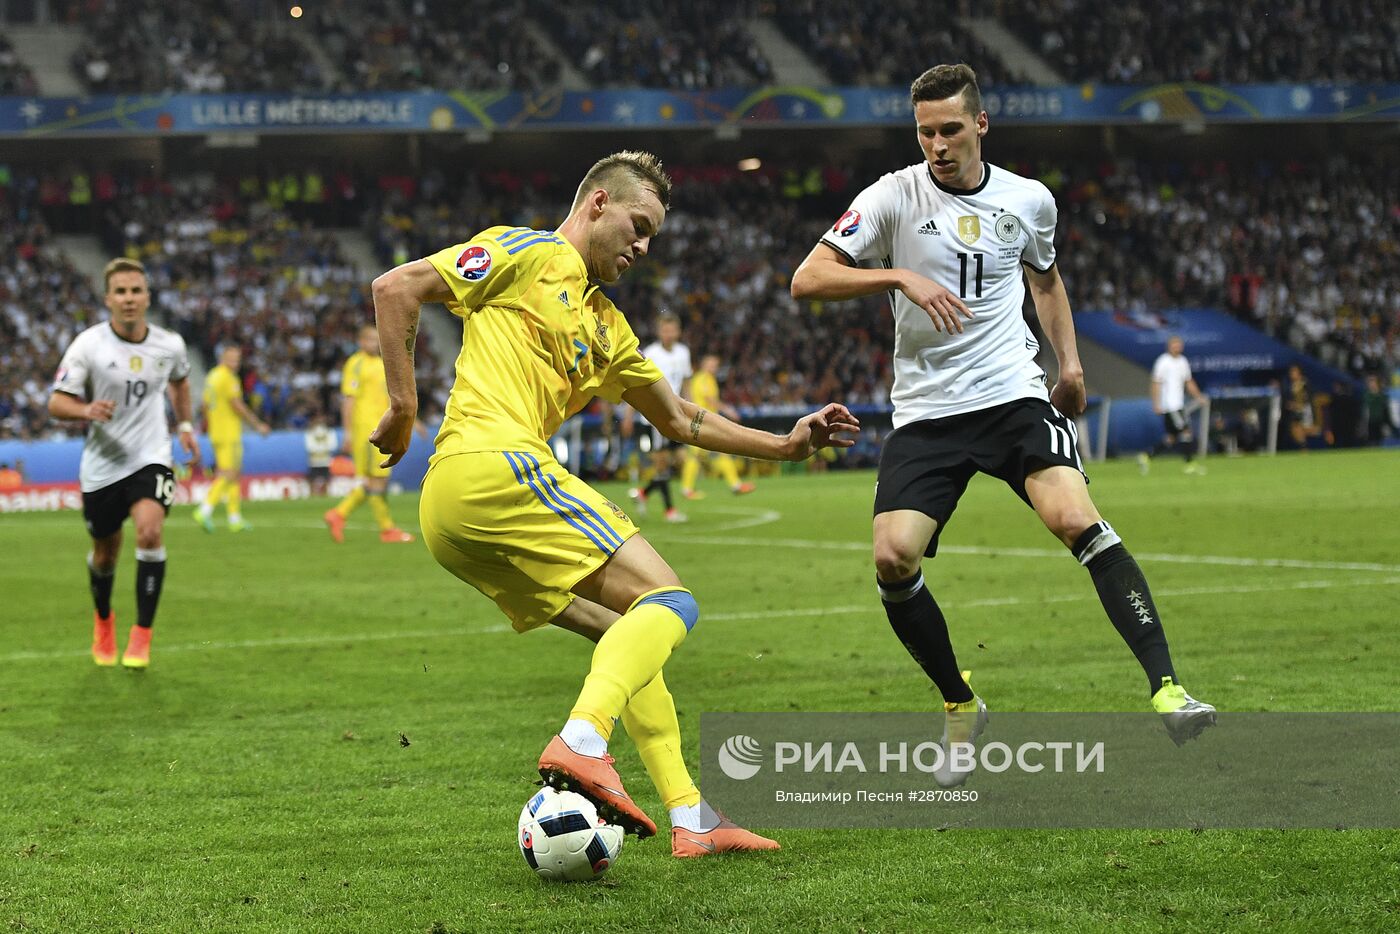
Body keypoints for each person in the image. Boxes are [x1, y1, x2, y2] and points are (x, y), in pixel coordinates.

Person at [367, 151, 859, 857]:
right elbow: (396, 287)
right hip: (493, 465)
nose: (644, 247)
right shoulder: (525, 251)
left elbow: (683, 420)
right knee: (670, 601)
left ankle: (690, 816)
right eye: (637, 225)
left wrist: (785, 446)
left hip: (456, 514)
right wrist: (403, 406)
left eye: (652, 235)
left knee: (624, 633)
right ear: (597, 204)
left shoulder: (608, 329)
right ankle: (582, 739)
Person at [790, 64, 1215, 781]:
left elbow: (1044, 278)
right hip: (928, 411)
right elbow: (808, 278)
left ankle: (1168, 689)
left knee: (1074, 517)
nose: (937, 144)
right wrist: (897, 276)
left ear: (980, 124)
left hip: (1013, 395)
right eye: (925, 131)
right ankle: (961, 704)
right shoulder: (892, 196)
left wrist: (1070, 363)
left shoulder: (1029, 200)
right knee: (894, 557)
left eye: (950, 129)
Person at [47, 258, 199, 669]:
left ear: (148, 297)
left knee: (150, 532)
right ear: (107, 299)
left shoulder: (170, 344)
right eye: (121, 292)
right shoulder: (88, 346)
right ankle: (104, 621)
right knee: (105, 555)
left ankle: (142, 635)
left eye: (136, 291)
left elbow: (181, 380)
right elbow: (56, 402)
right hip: (102, 464)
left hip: (151, 455)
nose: (129, 299)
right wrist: (86, 410)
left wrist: (184, 424)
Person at [323, 324, 422, 543]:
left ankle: (339, 515)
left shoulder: (381, 363)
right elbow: (348, 401)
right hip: (366, 430)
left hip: (383, 426)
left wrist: (414, 421)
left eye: (375, 339)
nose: (373, 343)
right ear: (360, 341)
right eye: (368, 339)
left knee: (374, 481)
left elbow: (393, 398)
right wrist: (347, 433)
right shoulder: (356, 364)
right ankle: (384, 529)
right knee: (377, 479)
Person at [194, 344, 270, 532]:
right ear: (223, 358)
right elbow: (237, 405)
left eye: (237, 359)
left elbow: (204, 405)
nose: (235, 363)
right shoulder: (229, 378)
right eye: (231, 359)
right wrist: (257, 424)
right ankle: (205, 510)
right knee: (228, 474)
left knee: (234, 474)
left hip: (217, 432)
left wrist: (211, 424)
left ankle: (234, 519)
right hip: (229, 432)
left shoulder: (212, 376)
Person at [625, 310, 690, 521]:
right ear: (659, 332)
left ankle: (643, 493)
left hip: (676, 414)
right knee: (662, 463)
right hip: (655, 417)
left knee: (680, 460)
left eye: (672, 330)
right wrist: (628, 415)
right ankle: (669, 510)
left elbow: (686, 383)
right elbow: (637, 385)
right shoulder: (651, 353)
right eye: (665, 330)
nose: (668, 334)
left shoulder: (683, 353)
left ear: (678, 332)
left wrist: (689, 408)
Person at [681, 353, 757, 497]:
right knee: (696, 455)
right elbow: (709, 399)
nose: (714, 368)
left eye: (716, 365)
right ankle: (687, 489)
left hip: (704, 421)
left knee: (714, 452)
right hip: (701, 421)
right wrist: (728, 410)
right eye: (711, 364)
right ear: (704, 365)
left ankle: (735, 485)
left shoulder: (705, 378)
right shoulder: (703, 378)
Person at [1140, 335, 1207, 475]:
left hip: (1179, 405)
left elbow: (1188, 381)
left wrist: (1199, 396)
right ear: (1169, 346)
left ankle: (1147, 456)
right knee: (1186, 432)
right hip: (1170, 406)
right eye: (1174, 344)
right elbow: (1156, 383)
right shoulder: (1163, 362)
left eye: (1179, 344)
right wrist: (1156, 403)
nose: (1177, 347)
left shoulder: (1182, 361)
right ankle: (1189, 464)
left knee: (1171, 437)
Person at [304, 411, 337, 496]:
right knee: (312, 480)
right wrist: (323, 448)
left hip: (326, 460)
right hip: (314, 461)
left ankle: (326, 494)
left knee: (326, 479)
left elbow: (333, 446)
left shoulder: (330, 432)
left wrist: (319, 449)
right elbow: (309, 447)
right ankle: (312, 495)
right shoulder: (310, 432)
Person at [1362, 373, 1396, 445]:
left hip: (1381, 422)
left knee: (1382, 441)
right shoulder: (1366, 396)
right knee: (1372, 442)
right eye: (1370, 382)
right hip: (1370, 422)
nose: (1372, 384)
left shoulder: (1383, 396)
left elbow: (1387, 411)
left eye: (1373, 382)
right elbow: (1365, 411)